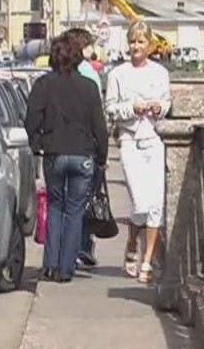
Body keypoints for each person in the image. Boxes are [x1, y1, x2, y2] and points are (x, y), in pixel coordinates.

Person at [25, 34, 109, 283]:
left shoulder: (43, 84)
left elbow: (31, 119)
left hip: (54, 153)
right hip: (83, 155)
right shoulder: (89, 87)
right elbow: (99, 127)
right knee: (74, 212)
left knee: (55, 206)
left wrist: (37, 144)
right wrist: (102, 158)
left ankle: (50, 265)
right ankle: (66, 268)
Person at [105, 20, 171, 284]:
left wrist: (159, 108)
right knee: (141, 204)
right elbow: (110, 108)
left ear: (150, 45)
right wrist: (132, 108)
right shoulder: (117, 74)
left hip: (154, 139)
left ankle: (147, 261)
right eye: (132, 41)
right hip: (130, 139)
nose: (136, 46)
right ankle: (132, 242)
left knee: (156, 206)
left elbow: (167, 102)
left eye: (141, 42)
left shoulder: (159, 73)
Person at [64, 27, 103, 270]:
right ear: (82, 47)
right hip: (85, 144)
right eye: (89, 45)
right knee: (82, 199)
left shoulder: (61, 71)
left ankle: (66, 249)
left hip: (60, 145)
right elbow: (96, 112)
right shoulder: (89, 73)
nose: (93, 50)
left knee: (64, 201)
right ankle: (81, 245)